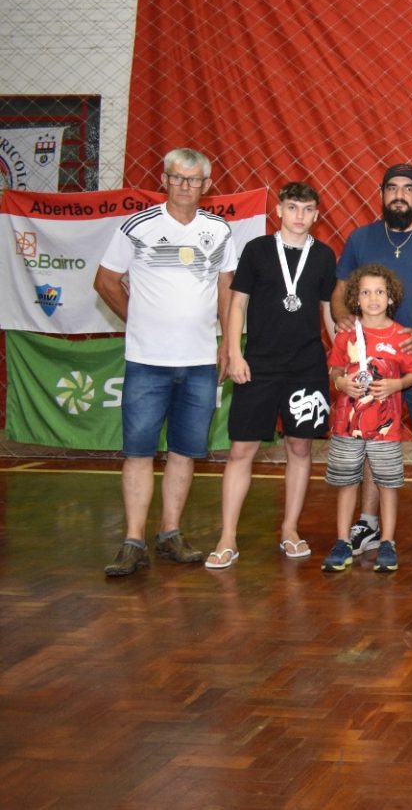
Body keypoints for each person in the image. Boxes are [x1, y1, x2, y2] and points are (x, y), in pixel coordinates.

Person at [96, 148, 235, 577]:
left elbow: (226, 288)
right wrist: (137, 319)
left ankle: (170, 534)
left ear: (206, 185)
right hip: (147, 361)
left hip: (199, 362)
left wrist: (227, 343)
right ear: (164, 179)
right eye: (176, 177)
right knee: (138, 452)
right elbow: (105, 281)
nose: (184, 186)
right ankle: (133, 542)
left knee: (184, 451)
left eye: (193, 179)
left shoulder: (219, 230)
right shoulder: (137, 226)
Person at [332, 163, 412, 558]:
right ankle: (368, 523)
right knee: (370, 439)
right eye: (392, 188)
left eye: (408, 188)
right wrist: (341, 317)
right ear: (382, 193)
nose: (399, 195)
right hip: (370, 367)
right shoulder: (361, 238)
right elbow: (340, 291)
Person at [209, 182, 338, 568]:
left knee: (300, 448)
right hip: (259, 364)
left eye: (308, 209)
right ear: (279, 210)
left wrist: (342, 357)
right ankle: (227, 537)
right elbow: (237, 304)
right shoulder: (257, 250)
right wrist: (234, 353)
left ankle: (290, 529)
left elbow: (328, 311)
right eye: (293, 207)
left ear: (316, 215)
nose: (300, 215)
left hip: (307, 366)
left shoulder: (324, 255)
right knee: (241, 450)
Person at [321, 266, 412, 572]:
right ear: (355, 298)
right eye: (365, 292)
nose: (373, 298)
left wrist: (396, 384)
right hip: (347, 425)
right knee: (347, 482)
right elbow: (335, 369)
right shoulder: (346, 334)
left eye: (379, 292)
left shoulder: (401, 335)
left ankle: (387, 541)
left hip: (385, 428)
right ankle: (342, 541)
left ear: (391, 298)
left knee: (388, 483)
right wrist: (341, 383)